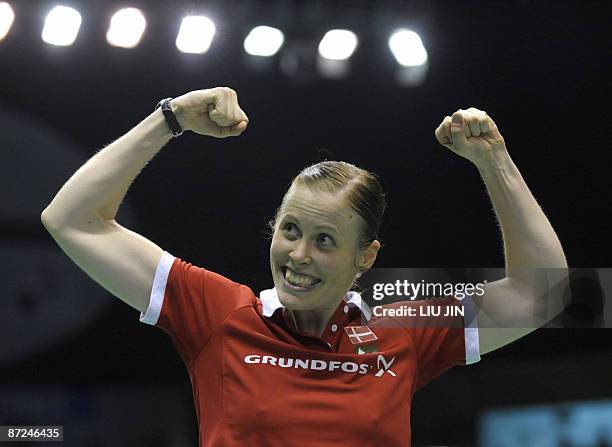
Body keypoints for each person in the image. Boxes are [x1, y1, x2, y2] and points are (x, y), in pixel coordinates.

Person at [41, 87, 568, 446]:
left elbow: (542, 293)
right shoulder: (220, 313)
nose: (298, 255)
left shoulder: (400, 328)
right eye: (290, 230)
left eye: (324, 240)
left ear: (367, 258)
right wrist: (170, 118)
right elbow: (73, 220)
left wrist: (493, 158)